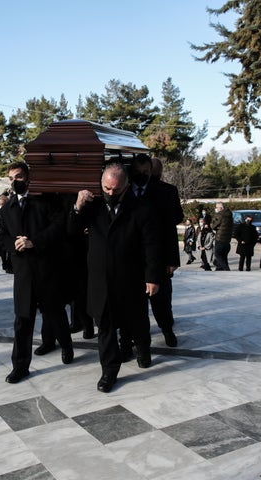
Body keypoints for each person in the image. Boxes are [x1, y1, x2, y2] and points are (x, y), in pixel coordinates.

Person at [69, 162, 161, 392]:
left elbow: (151, 245)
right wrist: (78, 207)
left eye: (116, 190)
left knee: (137, 320)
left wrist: (152, 277)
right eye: (106, 188)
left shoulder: (141, 209)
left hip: (131, 278)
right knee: (105, 327)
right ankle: (109, 371)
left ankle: (143, 348)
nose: (110, 193)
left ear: (126, 185)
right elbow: (71, 233)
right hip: (100, 280)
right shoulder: (93, 207)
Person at [0, 161, 74, 383]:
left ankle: (66, 347)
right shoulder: (6, 208)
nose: (15, 182)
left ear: (28, 178)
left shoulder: (45, 201)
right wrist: (16, 244)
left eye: (19, 177)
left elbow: (58, 227)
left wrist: (34, 242)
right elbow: (1, 236)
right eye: (11, 178)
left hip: (45, 269)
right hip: (23, 273)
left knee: (55, 312)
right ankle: (20, 366)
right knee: (22, 319)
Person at [130, 155, 183, 349]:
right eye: (138, 172)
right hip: (133, 258)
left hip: (159, 256)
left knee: (161, 300)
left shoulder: (165, 192)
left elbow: (171, 228)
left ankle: (167, 330)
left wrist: (171, 259)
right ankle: (136, 337)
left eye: (147, 172)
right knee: (136, 304)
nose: (142, 176)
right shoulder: (125, 190)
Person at [210, 202, 233, 270]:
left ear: (220, 208)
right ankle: (220, 268)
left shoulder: (220, 215)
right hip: (227, 238)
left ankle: (226, 268)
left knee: (217, 254)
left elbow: (214, 226)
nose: (216, 209)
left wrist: (214, 220)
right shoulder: (229, 214)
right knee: (224, 256)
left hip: (220, 237)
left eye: (217, 207)